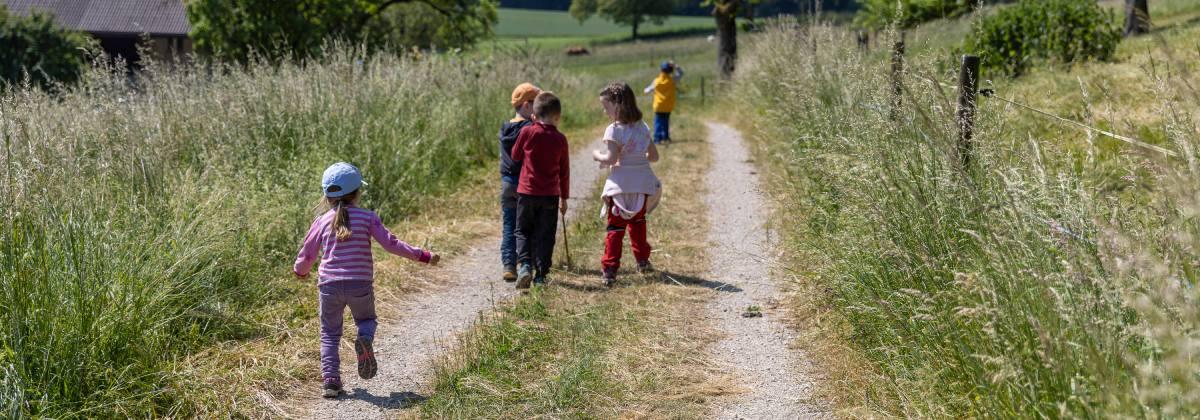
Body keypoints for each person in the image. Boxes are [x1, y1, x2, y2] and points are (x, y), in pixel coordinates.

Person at [294, 162, 440, 398]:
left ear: (326, 195)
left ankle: (331, 381)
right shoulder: (367, 217)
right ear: (357, 192)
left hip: (329, 285)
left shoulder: (321, 222)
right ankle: (365, 339)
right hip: (360, 284)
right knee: (367, 319)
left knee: (330, 333)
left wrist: (300, 271)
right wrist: (423, 256)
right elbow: (392, 245)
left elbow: (308, 254)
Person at [594, 82, 661, 287]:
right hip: (642, 184)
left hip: (621, 186)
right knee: (638, 224)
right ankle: (642, 260)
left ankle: (610, 269)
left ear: (618, 105)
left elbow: (612, 159)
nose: (605, 112)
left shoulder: (613, 130)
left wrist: (597, 156)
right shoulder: (643, 127)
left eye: (606, 107)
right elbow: (654, 156)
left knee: (615, 228)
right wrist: (637, 158)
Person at [510, 92, 570, 288]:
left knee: (522, 231)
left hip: (527, 192)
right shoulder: (561, 139)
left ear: (534, 115)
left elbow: (516, 155)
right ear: (557, 117)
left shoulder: (527, 132)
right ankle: (541, 276)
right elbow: (564, 171)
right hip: (550, 196)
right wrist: (564, 197)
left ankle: (525, 265)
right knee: (545, 234)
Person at [499, 82, 541, 282]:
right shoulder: (530, 128)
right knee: (526, 224)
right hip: (525, 183)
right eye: (537, 104)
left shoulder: (505, 127)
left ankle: (509, 264)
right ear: (526, 105)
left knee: (509, 224)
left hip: (507, 182)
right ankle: (528, 261)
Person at [644, 61, 683, 144]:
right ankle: (666, 137)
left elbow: (647, 90)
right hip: (668, 106)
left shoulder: (656, 81)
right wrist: (675, 65)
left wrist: (647, 90)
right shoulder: (672, 80)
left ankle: (657, 139)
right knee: (666, 121)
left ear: (661, 70)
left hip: (658, 106)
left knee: (658, 122)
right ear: (670, 71)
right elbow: (681, 73)